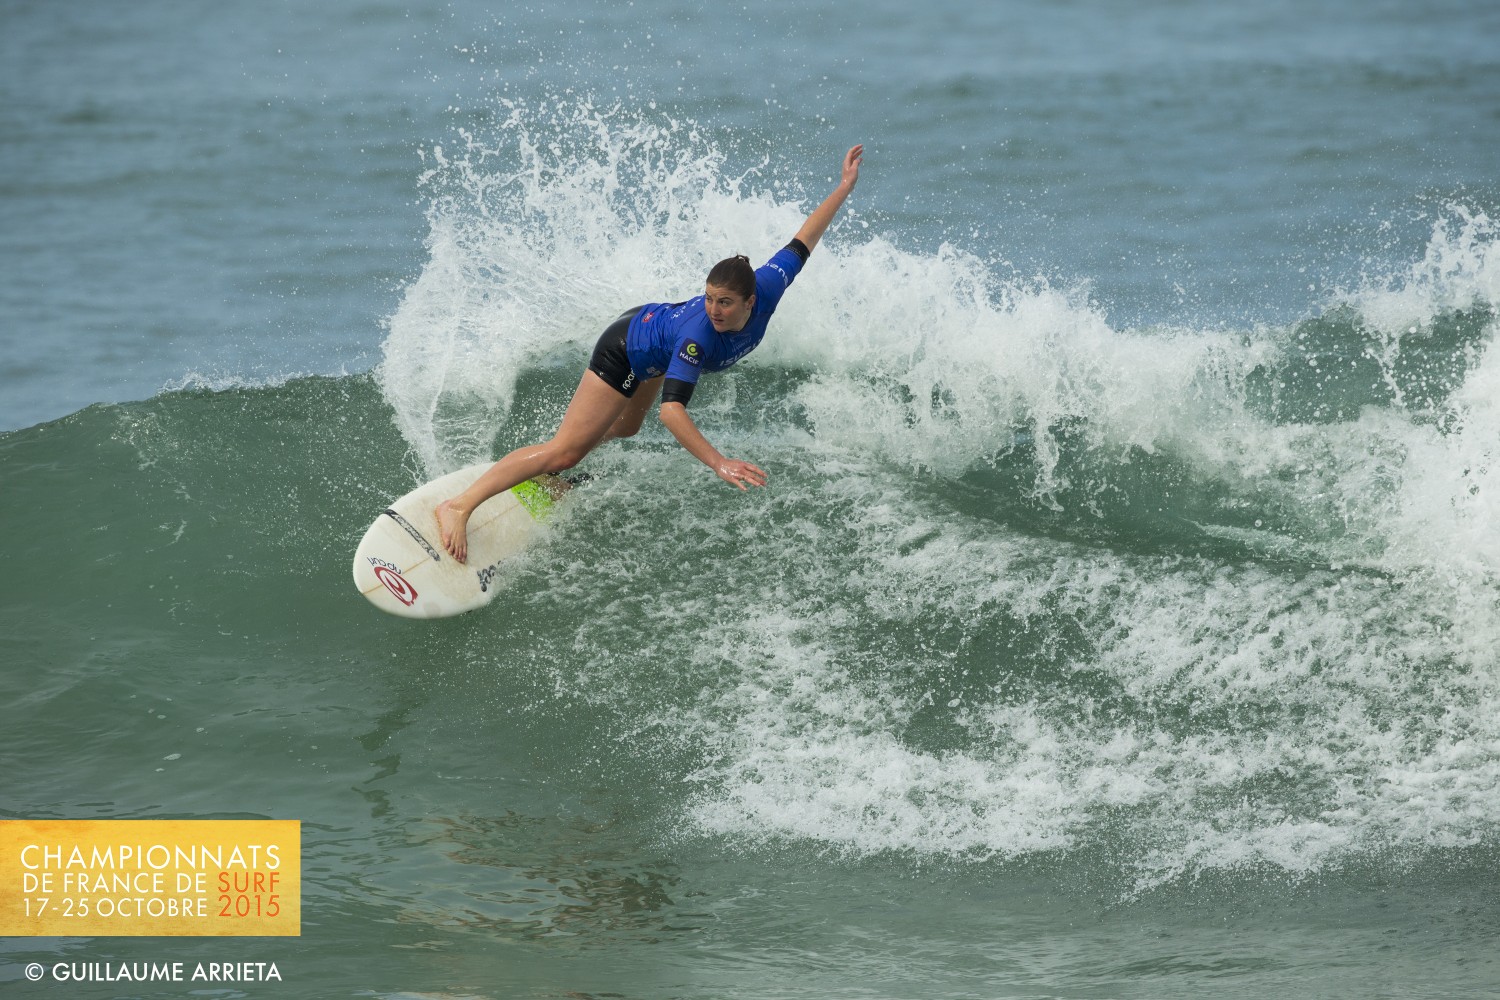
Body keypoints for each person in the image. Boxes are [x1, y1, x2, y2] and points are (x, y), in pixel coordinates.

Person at [435, 143, 865, 563]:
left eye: (725, 302)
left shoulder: (768, 284)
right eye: (709, 298)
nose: (714, 309)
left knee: (626, 428)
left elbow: (803, 240)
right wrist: (719, 462)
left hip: (654, 338)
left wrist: (844, 186)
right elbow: (672, 412)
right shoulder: (699, 336)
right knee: (567, 449)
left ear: (750, 301)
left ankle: (549, 476)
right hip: (626, 349)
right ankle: (460, 505)